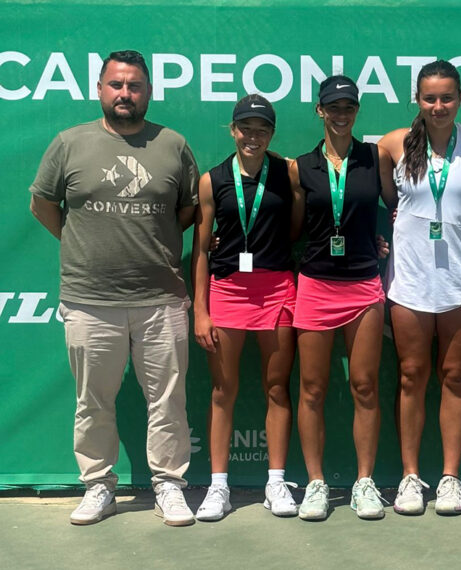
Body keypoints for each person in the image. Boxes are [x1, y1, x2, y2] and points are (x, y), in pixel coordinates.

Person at [29, 50, 199, 526]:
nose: (125, 93)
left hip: (161, 299)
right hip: (90, 300)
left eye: (135, 86)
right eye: (116, 85)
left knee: (168, 401)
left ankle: (169, 485)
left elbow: (187, 210)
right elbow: (43, 204)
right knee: (93, 402)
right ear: (100, 89)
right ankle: (98, 485)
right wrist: (81, 243)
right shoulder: (69, 143)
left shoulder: (173, 145)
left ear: (148, 92)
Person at [378, 59, 461, 516]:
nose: (438, 106)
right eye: (430, 98)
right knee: (411, 376)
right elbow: (386, 197)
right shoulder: (393, 144)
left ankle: (451, 477)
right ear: (417, 99)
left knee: (454, 376)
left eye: (447, 98)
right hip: (410, 280)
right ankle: (410, 476)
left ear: (460, 98)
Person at [291, 75, 396, 521]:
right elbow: (293, 227)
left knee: (364, 386)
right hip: (315, 284)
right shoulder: (300, 167)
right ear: (320, 110)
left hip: (363, 284)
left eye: (348, 107)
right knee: (312, 388)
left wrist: (383, 242)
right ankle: (316, 483)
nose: (341, 114)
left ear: (356, 111)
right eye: (333, 107)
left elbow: (400, 208)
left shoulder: (376, 157)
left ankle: (364, 483)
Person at [191, 95, 300, 521]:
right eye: (246, 129)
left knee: (277, 388)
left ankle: (276, 483)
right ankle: (219, 486)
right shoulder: (211, 180)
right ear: (233, 130)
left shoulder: (288, 172)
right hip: (228, 292)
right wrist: (201, 311)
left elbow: (297, 228)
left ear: (272, 133)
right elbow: (202, 250)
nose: (253, 137)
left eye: (262, 130)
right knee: (223, 390)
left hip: (277, 289)